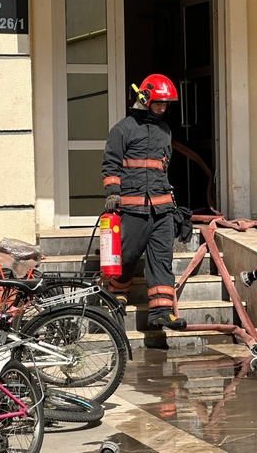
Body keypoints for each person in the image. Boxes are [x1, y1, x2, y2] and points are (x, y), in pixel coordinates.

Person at [102, 73, 187, 331]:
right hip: (132, 208)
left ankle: (161, 312)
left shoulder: (164, 130)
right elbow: (111, 164)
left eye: (166, 103)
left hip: (162, 210)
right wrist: (113, 192)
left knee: (162, 259)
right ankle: (117, 296)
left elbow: (163, 169)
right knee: (127, 255)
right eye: (159, 102)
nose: (163, 108)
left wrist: (175, 210)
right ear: (145, 98)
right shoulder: (123, 129)